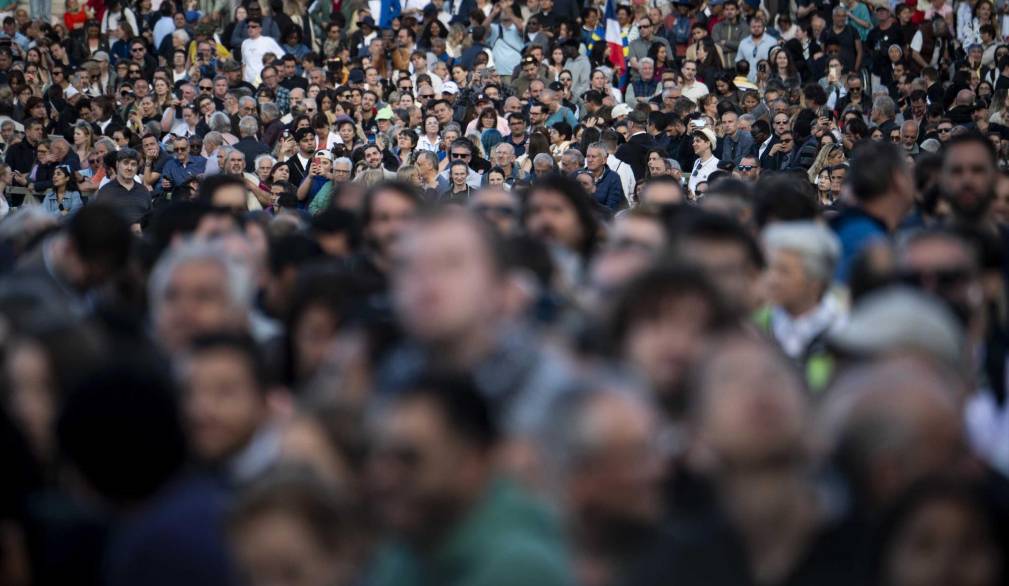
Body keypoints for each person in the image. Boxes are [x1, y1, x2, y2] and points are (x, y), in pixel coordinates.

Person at [93, 148, 151, 230]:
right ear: (117, 164)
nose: (129, 168)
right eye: (126, 163)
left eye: (133, 164)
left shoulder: (144, 191)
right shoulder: (106, 191)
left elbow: (149, 221)